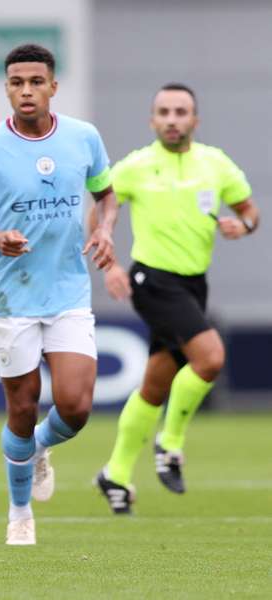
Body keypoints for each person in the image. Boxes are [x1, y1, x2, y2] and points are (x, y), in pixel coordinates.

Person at [0, 44, 118, 545]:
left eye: (35, 81)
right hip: (11, 296)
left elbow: (106, 196)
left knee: (77, 405)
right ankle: (19, 512)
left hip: (67, 290)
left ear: (52, 87)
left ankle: (40, 448)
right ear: (7, 88)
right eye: (17, 82)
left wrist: (105, 229)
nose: (26, 90)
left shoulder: (83, 138)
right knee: (21, 408)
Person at [94, 83, 259, 514]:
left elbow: (250, 210)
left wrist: (246, 225)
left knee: (154, 386)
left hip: (192, 285)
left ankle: (115, 473)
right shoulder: (135, 166)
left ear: (194, 120)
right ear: (152, 120)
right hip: (152, 280)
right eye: (163, 112)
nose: (172, 119)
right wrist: (109, 262)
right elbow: (100, 206)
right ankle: (170, 445)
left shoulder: (215, 163)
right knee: (210, 358)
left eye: (180, 111)